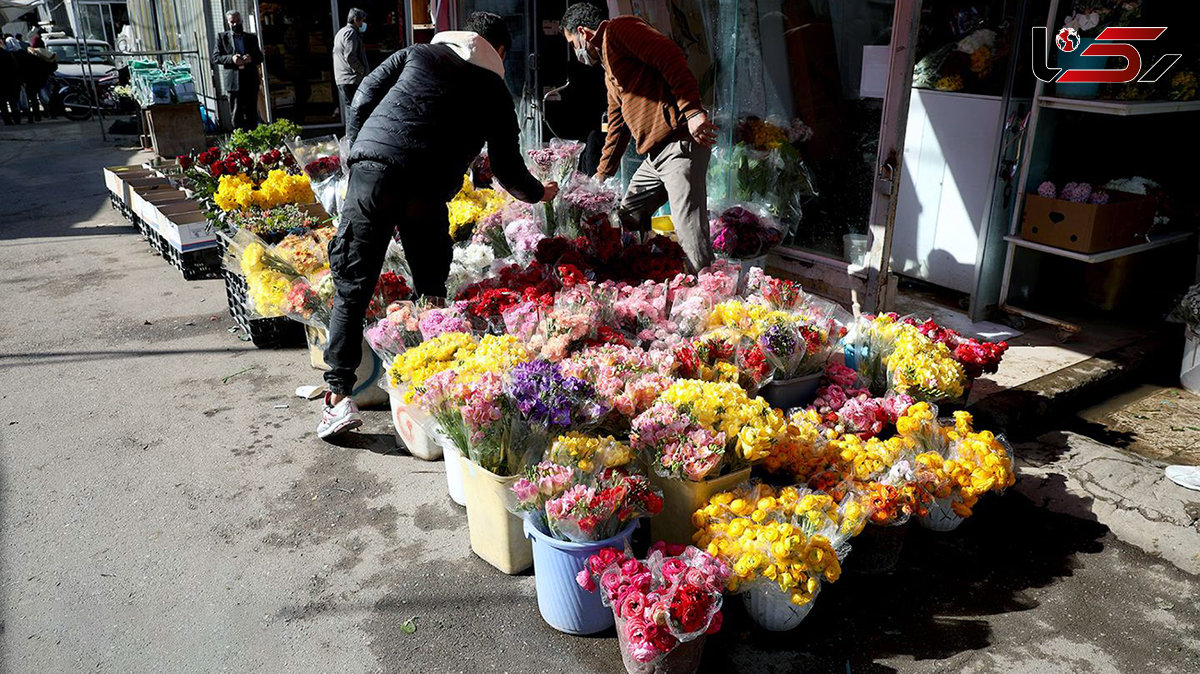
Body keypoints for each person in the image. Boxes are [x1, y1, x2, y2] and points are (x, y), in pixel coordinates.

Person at [316, 12, 559, 439]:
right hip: (426, 191)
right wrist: (541, 194)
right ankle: (433, 386)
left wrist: (357, 152)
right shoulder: (496, 90)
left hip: (374, 173)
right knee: (431, 288)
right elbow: (508, 169)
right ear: (499, 50)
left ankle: (338, 397)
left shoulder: (417, 53)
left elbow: (363, 94)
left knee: (353, 285)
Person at [561, 3, 717, 272]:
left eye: (572, 42)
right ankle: (651, 268)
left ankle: (710, 293)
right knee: (628, 213)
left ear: (584, 33)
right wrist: (601, 175)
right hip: (655, 156)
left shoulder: (621, 29)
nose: (576, 52)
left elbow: (669, 55)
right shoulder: (609, 68)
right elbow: (617, 125)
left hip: (678, 145)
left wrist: (692, 111)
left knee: (689, 230)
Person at [211, 11, 263, 131]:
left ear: (241, 21)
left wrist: (251, 58)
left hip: (250, 79)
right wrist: (231, 58)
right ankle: (240, 140)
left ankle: (254, 137)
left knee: (252, 112)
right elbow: (215, 57)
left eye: (238, 21)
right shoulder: (222, 37)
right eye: (232, 22)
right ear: (228, 23)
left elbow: (260, 57)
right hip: (234, 81)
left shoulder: (251, 38)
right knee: (236, 113)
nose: (235, 24)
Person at [333, 8, 370, 115]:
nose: (363, 24)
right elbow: (350, 57)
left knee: (351, 110)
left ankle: (351, 132)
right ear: (355, 20)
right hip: (351, 79)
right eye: (362, 20)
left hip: (343, 78)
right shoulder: (351, 33)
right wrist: (362, 71)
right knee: (355, 111)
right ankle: (354, 132)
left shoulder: (341, 32)